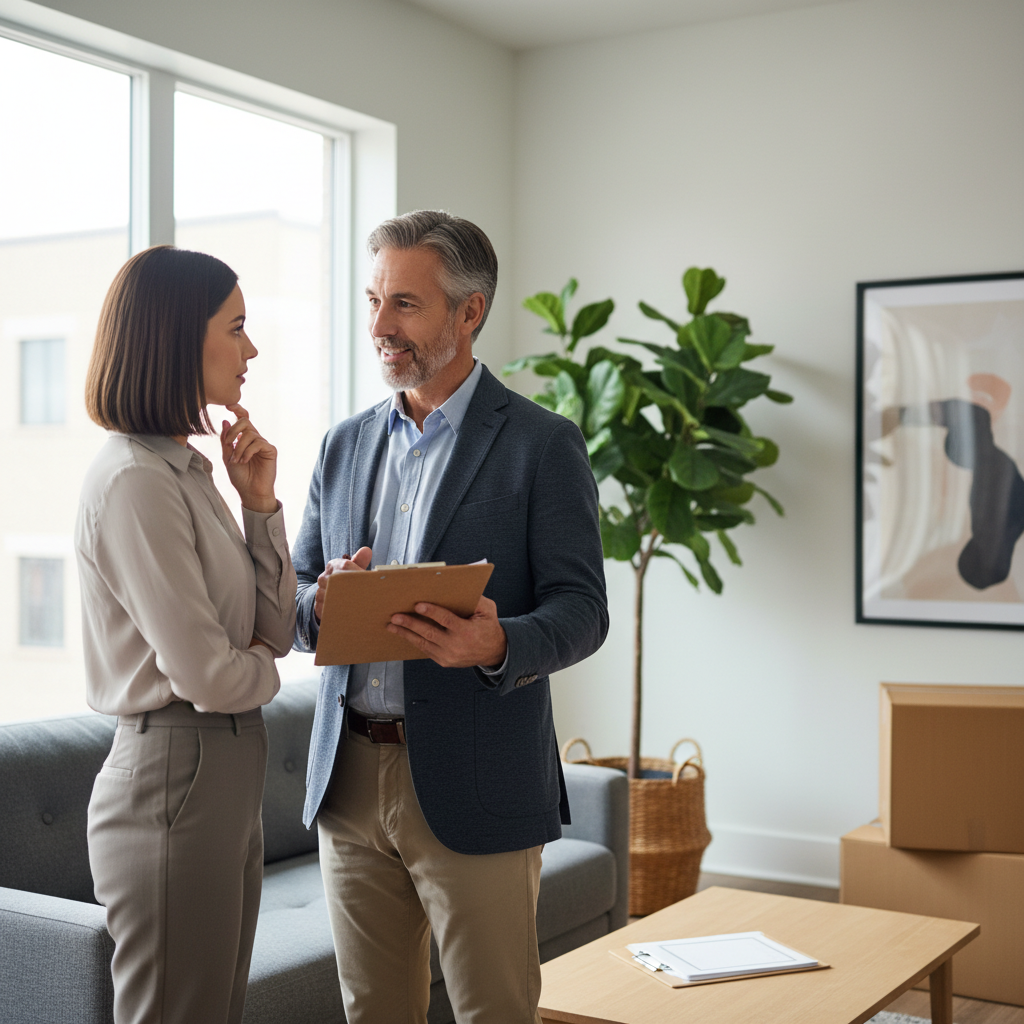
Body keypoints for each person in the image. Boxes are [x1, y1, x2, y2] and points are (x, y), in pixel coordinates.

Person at [291, 210, 609, 1024]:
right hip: (348, 778)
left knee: (494, 1010)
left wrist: (499, 643)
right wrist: (319, 601)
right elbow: (293, 594)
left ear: (470, 312)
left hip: (479, 775)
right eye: (374, 301)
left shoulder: (542, 444)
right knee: (373, 1012)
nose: (380, 326)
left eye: (405, 304)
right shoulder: (342, 445)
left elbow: (583, 610)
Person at [75, 245, 298, 1024]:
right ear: (176, 337)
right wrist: (268, 668)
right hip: (176, 773)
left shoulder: (189, 472)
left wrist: (260, 507)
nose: (251, 350)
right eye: (236, 328)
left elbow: (273, 628)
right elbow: (210, 675)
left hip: (224, 772)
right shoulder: (135, 480)